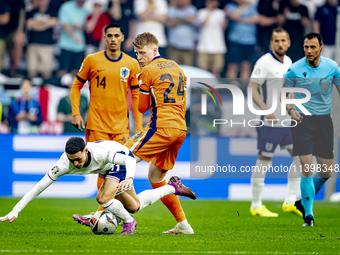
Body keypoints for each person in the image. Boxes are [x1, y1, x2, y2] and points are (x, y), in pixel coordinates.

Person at [0, 137, 196, 235]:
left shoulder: (100, 153)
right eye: (72, 160)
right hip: (105, 169)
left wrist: (128, 178)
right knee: (134, 205)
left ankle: (129, 223)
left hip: (120, 161)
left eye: (78, 159)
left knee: (102, 198)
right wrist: (15, 211)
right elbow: (39, 188)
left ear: (86, 150)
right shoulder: (64, 164)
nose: (75, 164)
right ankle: (172, 187)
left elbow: (128, 161)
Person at [71, 23, 143, 223]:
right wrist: (76, 113)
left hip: (121, 128)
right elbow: (76, 85)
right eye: (109, 35)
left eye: (116, 35)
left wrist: (139, 127)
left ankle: (106, 213)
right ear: (104, 37)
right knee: (103, 170)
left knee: (117, 172)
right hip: (97, 126)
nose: (112, 39)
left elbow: (136, 95)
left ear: (122, 38)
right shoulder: (92, 60)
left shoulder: (131, 64)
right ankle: (102, 214)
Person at [124, 32, 192, 234]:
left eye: (142, 52)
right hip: (180, 129)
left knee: (121, 158)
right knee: (155, 176)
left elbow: (143, 108)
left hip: (161, 127)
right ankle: (183, 225)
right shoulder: (177, 67)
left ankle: (103, 214)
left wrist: (141, 85)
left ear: (155, 49)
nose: (139, 57)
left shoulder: (148, 71)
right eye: (136, 53)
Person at [283, 32, 340, 226]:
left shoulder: (332, 67)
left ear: (321, 48)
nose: (309, 51)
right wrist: (291, 110)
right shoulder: (294, 69)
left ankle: (302, 201)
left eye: (313, 47)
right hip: (302, 121)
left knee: (326, 172)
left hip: (324, 121)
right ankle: (309, 216)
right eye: (306, 47)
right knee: (307, 169)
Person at [248, 28, 301, 217]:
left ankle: (290, 201)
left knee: (299, 158)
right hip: (270, 122)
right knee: (264, 161)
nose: (280, 44)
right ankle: (255, 205)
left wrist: (293, 109)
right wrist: (266, 110)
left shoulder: (289, 62)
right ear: (271, 43)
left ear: (288, 43)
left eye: (283, 40)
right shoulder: (263, 63)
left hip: (287, 121)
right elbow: (252, 89)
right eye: (276, 41)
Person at [26, 0, 58, 79]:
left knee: (47, 71)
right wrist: (45, 24)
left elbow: (53, 22)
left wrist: (36, 24)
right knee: (32, 70)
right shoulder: (32, 12)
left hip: (47, 44)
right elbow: (29, 24)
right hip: (33, 43)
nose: (42, 1)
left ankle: (45, 88)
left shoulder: (52, 11)